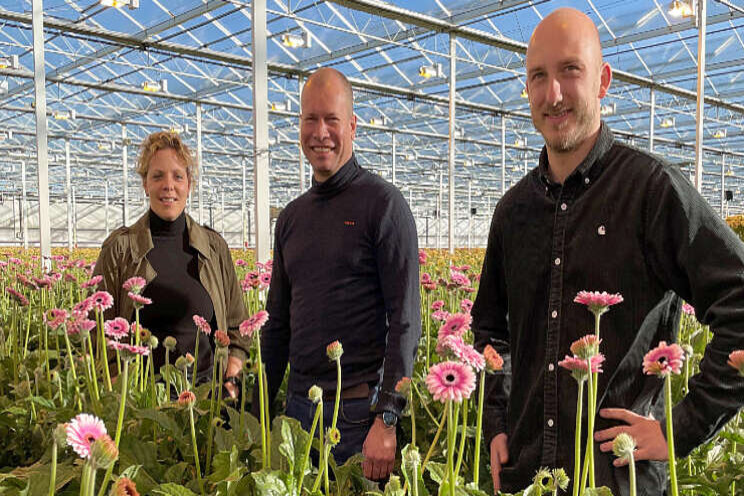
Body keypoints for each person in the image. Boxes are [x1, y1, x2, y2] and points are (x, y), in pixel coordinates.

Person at [472, 7, 744, 495]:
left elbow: (741, 301)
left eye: (570, 71)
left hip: (619, 481)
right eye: (538, 76)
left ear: (602, 81)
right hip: (527, 476)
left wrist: (679, 429)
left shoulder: (651, 191)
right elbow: (492, 329)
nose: (553, 94)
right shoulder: (513, 212)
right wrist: (495, 420)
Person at [255, 67, 421, 480]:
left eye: (331, 120)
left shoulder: (383, 206)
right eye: (310, 119)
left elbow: (406, 321)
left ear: (352, 125)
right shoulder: (292, 217)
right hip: (297, 411)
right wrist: (254, 411)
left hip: (356, 416)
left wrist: (387, 418)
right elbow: (277, 325)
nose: (320, 132)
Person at [94, 131, 249, 390]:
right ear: (145, 184)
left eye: (178, 176)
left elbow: (237, 326)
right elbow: (100, 332)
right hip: (142, 397)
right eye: (158, 176)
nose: (169, 185)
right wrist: (118, 391)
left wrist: (231, 377)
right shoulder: (119, 249)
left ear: (190, 184)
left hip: (206, 395)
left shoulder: (214, 248)